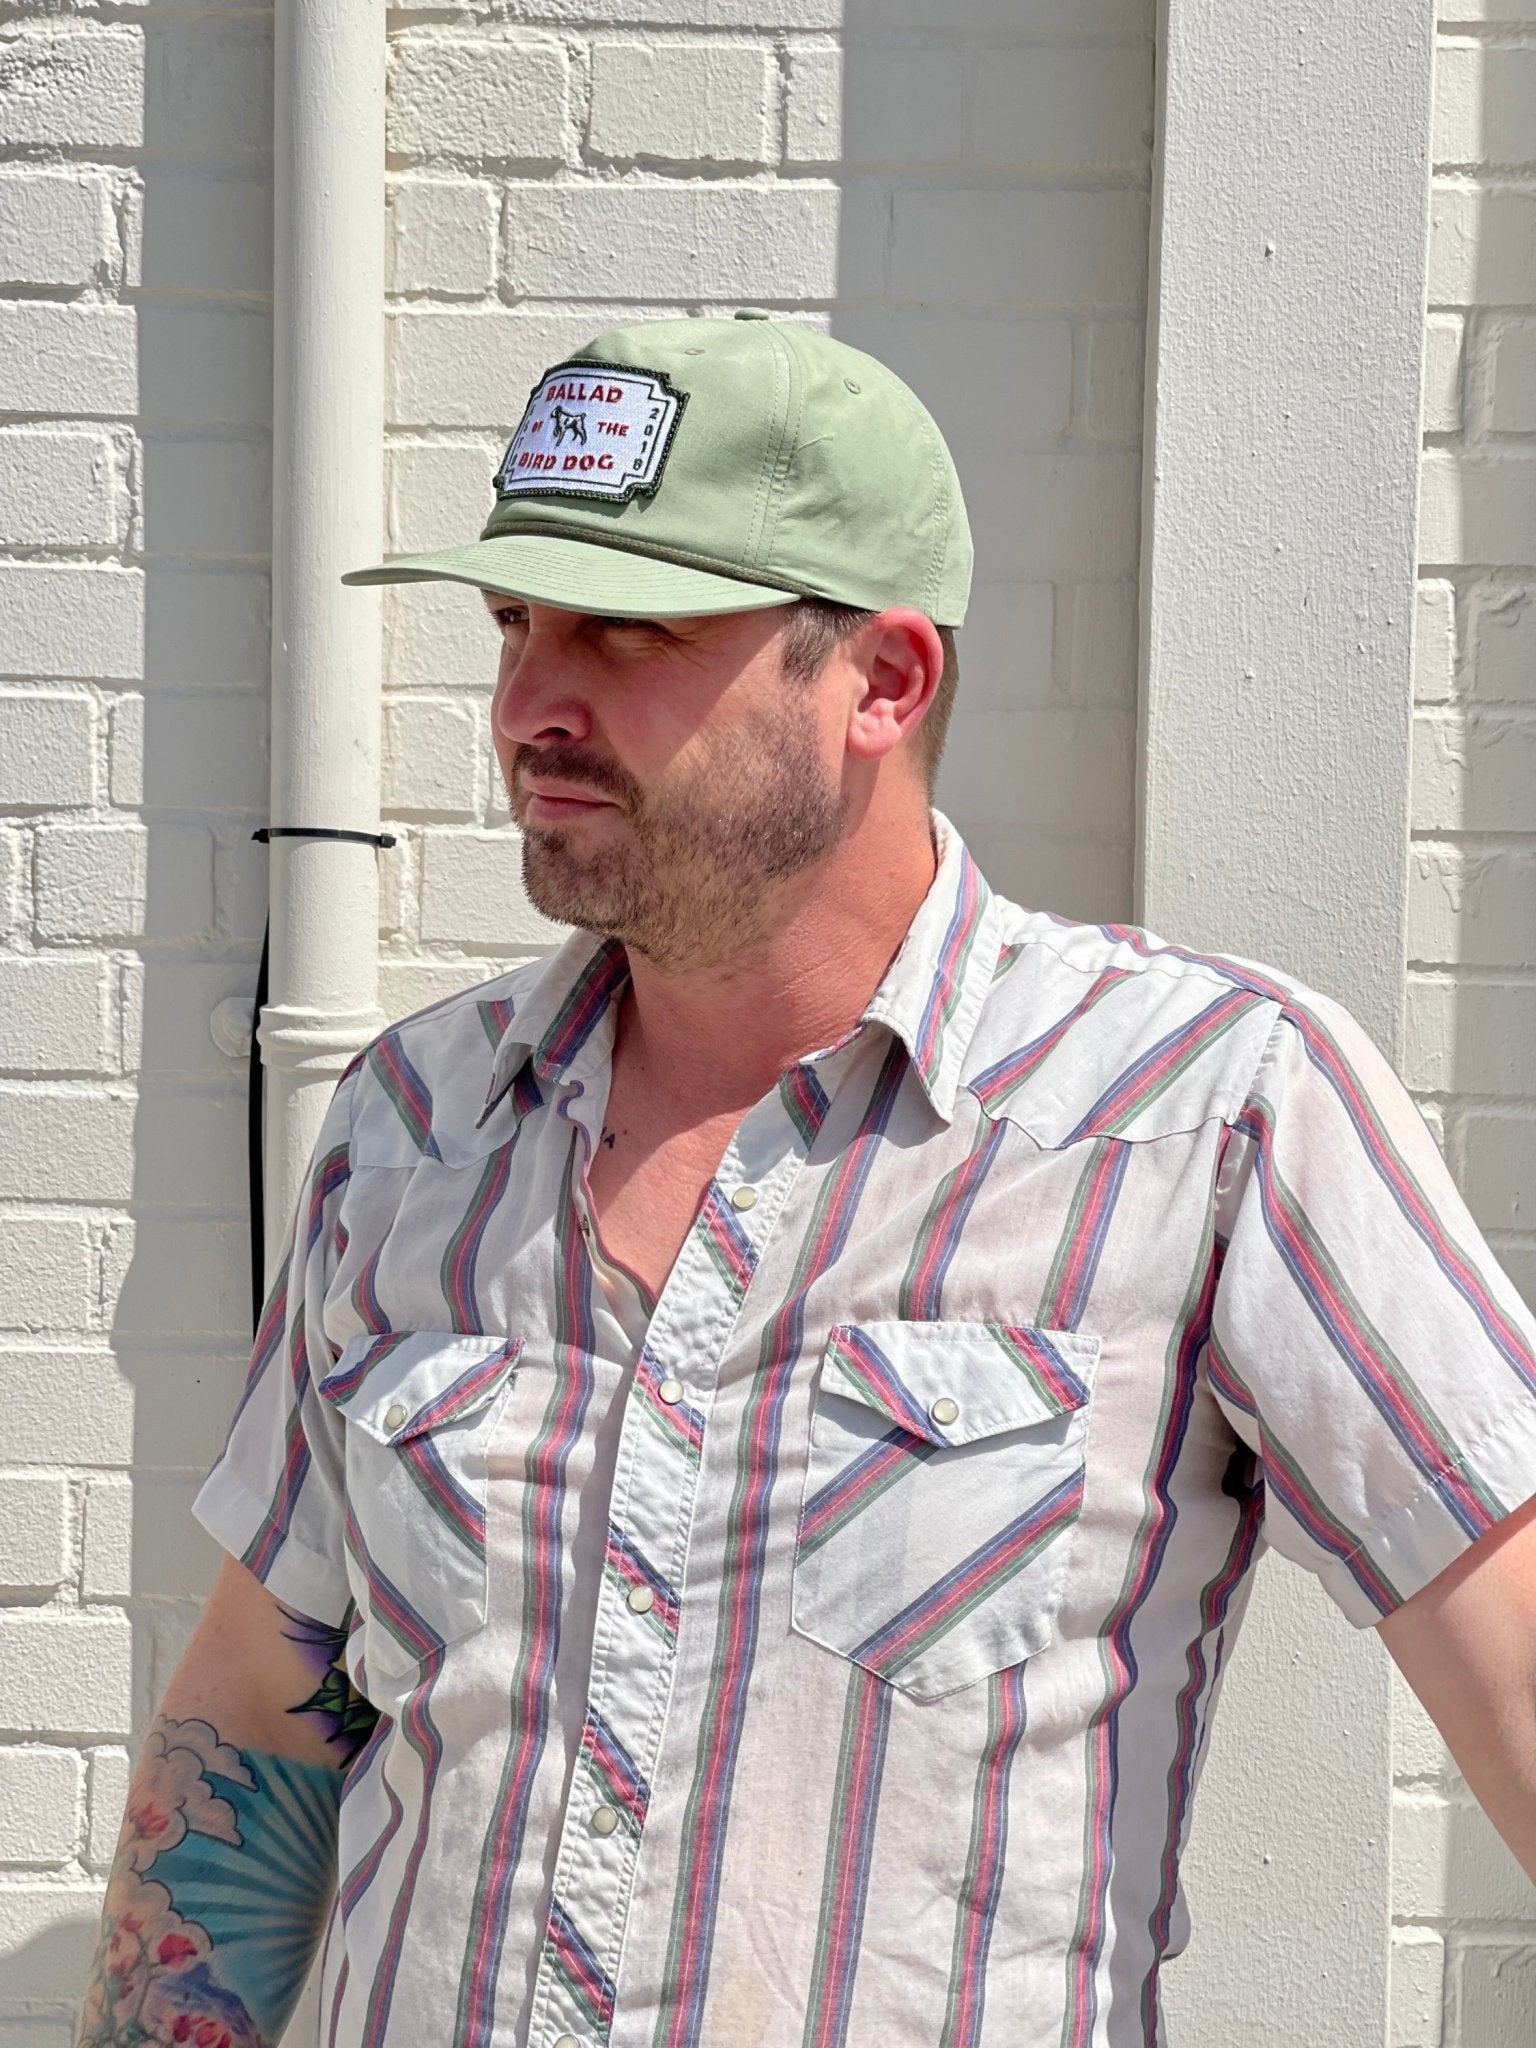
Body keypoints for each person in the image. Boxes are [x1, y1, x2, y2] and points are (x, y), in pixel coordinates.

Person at [78, 313, 1536, 2048]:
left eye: (626, 629)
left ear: (883, 681)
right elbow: (261, 1718)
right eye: (516, 624)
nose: (529, 704)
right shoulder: (412, 1126)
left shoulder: (1203, 1113)